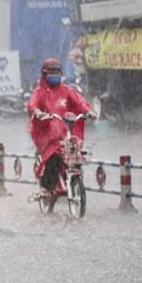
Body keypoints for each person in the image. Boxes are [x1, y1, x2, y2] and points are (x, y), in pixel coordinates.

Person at [27, 58, 91, 197]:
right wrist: (38, 113)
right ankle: (46, 187)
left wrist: (88, 111)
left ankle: (72, 180)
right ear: (44, 74)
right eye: (51, 72)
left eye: (57, 72)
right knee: (54, 155)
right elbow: (33, 105)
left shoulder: (67, 90)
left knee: (75, 154)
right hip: (47, 133)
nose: (55, 75)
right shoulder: (39, 92)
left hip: (66, 131)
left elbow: (80, 102)